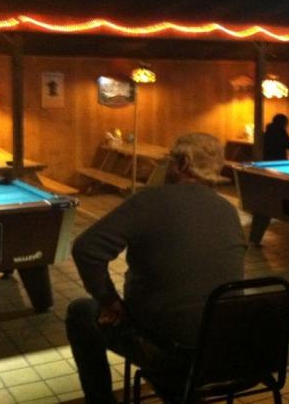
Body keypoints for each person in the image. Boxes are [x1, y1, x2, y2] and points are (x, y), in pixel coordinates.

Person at [66, 133, 246, 404]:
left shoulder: (149, 200)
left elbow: (86, 249)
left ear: (182, 164)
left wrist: (109, 300)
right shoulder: (228, 210)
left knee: (80, 312)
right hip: (225, 348)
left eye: (170, 158)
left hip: (168, 348)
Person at [249, 114, 289, 247]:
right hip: (279, 166)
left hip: (267, 166)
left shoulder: (268, 131)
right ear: (284, 123)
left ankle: (254, 239)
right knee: (275, 200)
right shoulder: (280, 131)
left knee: (265, 203)